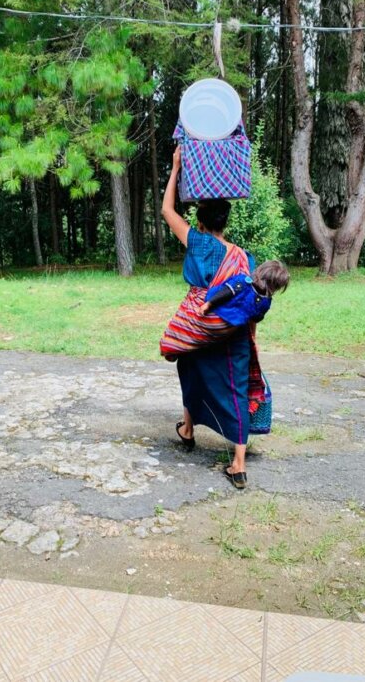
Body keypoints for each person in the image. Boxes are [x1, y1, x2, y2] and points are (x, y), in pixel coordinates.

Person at [160, 146, 267, 490]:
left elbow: (166, 209)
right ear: (226, 222)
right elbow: (246, 298)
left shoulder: (196, 242)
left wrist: (176, 168)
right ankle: (237, 464)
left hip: (195, 328)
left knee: (191, 374)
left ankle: (189, 430)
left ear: (201, 223)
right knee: (234, 388)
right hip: (229, 334)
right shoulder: (243, 256)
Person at [199, 260, 289, 324]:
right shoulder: (266, 301)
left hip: (215, 313)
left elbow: (225, 292)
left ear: (260, 270)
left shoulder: (243, 281)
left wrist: (208, 304)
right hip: (231, 325)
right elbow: (257, 318)